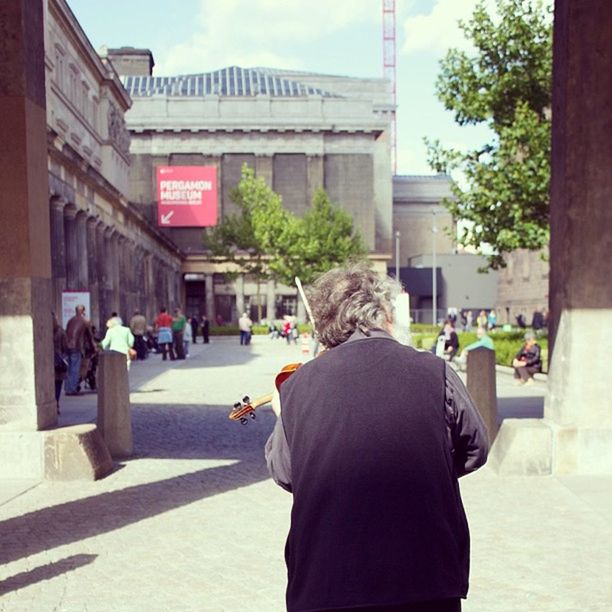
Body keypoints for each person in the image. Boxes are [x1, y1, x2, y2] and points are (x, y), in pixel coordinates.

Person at [265, 264, 488, 612]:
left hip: (327, 581)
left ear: (326, 321)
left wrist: (285, 414)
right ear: (383, 312)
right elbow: (476, 446)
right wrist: (427, 467)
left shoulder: (299, 386)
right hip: (425, 576)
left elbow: (286, 473)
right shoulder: (434, 370)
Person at [64, 304, 94, 395]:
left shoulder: (70, 320)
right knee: (75, 369)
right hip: (76, 347)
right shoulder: (85, 321)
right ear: (83, 311)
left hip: (67, 346)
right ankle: (72, 389)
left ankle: (67, 388)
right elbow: (90, 337)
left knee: (69, 369)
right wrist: (94, 348)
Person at [52, 313, 68, 414]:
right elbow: (65, 347)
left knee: (53, 384)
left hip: (48, 361)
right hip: (58, 361)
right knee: (58, 383)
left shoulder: (44, 330)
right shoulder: (60, 331)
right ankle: (56, 403)